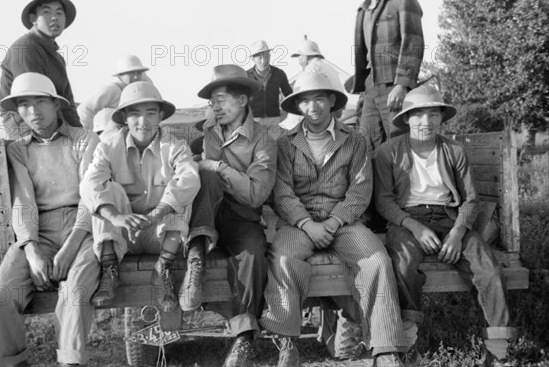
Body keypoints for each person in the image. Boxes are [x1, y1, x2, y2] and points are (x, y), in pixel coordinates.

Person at [259, 72, 407, 367]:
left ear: (331, 101)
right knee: (285, 260)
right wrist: (306, 224)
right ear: (298, 106)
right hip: (298, 222)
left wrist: (334, 222)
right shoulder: (285, 141)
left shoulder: (354, 140)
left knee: (377, 260)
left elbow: (361, 188)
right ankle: (288, 342)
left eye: (319, 98)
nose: (312, 106)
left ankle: (385, 347)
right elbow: (282, 190)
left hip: (343, 221)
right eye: (305, 100)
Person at [374, 84, 517, 367]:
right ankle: (409, 342)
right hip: (408, 218)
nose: (425, 122)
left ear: (441, 118)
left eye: (432, 115)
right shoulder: (389, 152)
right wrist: (414, 227)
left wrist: (457, 233)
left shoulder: (453, 150)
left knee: (487, 267)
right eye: (418, 115)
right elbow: (384, 202)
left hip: (449, 218)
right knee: (403, 264)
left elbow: (471, 199)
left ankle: (499, 351)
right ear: (406, 119)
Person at [0, 72, 100, 367]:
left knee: (74, 292)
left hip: (84, 229)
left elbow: (92, 196)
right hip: (39, 230)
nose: (33, 111)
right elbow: (23, 202)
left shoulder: (84, 140)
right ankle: (8, 362)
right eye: (24, 104)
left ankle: (70, 362)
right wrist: (32, 249)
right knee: (0, 293)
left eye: (40, 102)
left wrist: (72, 246)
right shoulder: (18, 149)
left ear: (56, 104)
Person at [180, 64, 277, 366]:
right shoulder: (203, 132)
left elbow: (256, 194)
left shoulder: (263, 140)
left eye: (221, 99)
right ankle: (195, 260)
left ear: (243, 100)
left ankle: (243, 339)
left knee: (253, 253)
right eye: (212, 101)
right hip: (202, 220)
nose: (215, 107)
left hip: (240, 217)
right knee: (204, 176)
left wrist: (218, 167)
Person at [80, 81, 200, 312]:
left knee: (181, 191)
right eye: (135, 114)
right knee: (105, 190)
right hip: (122, 236)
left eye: (150, 113)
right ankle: (110, 270)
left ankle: (162, 269)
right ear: (125, 117)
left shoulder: (175, 147)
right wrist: (116, 217)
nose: (143, 122)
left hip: (160, 234)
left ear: (160, 117)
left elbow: (189, 178)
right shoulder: (107, 147)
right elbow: (89, 185)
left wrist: (159, 212)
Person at [347, 0, 424, 152]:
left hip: (394, 85)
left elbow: (413, 42)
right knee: (367, 146)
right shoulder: (362, 11)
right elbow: (364, 58)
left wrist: (402, 84)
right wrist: (364, 93)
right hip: (370, 89)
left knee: (400, 145)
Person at [0, 0, 82, 138]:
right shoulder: (25, 48)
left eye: (59, 13)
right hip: (27, 131)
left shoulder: (56, 56)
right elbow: (32, 101)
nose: (54, 18)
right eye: (46, 12)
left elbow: (67, 103)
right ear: (33, 19)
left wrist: (81, 133)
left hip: (54, 127)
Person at [77, 54, 151, 131]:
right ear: (120, 75)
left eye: (139, 73)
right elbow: (85, 109)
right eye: (131, 73)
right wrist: (85, 135)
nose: (136, 77)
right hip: (105, 135)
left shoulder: (139, 90)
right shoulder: (113, 89)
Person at [246, 40, 293, 125]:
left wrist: (285, 113)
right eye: (260, 58)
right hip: (253, 121)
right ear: (253, 59)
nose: (264, 61)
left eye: (266, 56)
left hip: (274, 120)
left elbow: (290, 96)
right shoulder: (246, 76)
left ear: (270, 56)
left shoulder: (279, 74)